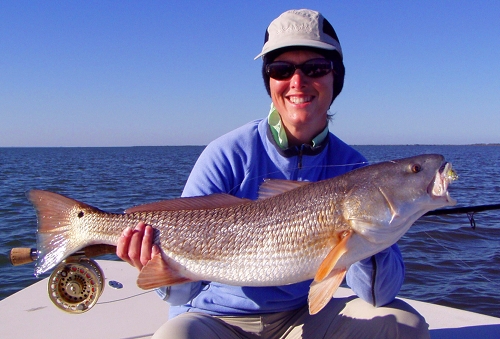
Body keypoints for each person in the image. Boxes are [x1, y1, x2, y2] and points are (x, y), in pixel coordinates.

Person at [117, 9, 430, 339]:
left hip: (301, 317)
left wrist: (371, 235)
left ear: (335, 78)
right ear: (269, 81)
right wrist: (153, 265)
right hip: (212, 318)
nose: (298, 81)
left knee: (403, 326)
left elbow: (378, 296)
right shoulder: (226, 154)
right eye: (281, 69)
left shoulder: (357, 170)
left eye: (316, 68)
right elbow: (183, 296)